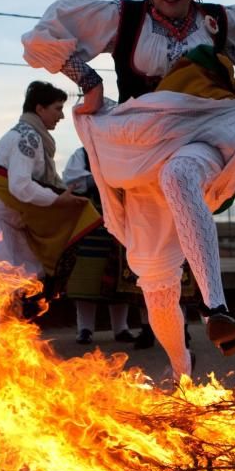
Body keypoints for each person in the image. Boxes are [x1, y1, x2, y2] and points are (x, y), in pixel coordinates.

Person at [22, 0, 235, 379]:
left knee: (180, 174)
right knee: (157, 285)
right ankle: (182, 372)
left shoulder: (218, 20)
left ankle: (217, 307)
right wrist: (88, 79)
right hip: (141, 147)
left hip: (205, 132)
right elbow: (48, 33)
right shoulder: (125, 17)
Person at [0, 81, 88, 281]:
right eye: (57, 108)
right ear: (40, 108)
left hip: (4, 219)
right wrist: (57, 200)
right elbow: (20, 186)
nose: (61, 116)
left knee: (23, 283)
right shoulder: (28, 137)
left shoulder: (31, 135)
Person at [62, 146, 138, 345]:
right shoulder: (81, 154)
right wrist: (104, 178)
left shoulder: (122, 152)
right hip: (91, 225)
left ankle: (121, 328)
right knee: (86, 278)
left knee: (120, 277)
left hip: (121, 223)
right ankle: (85, 329)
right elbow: (71, 181)